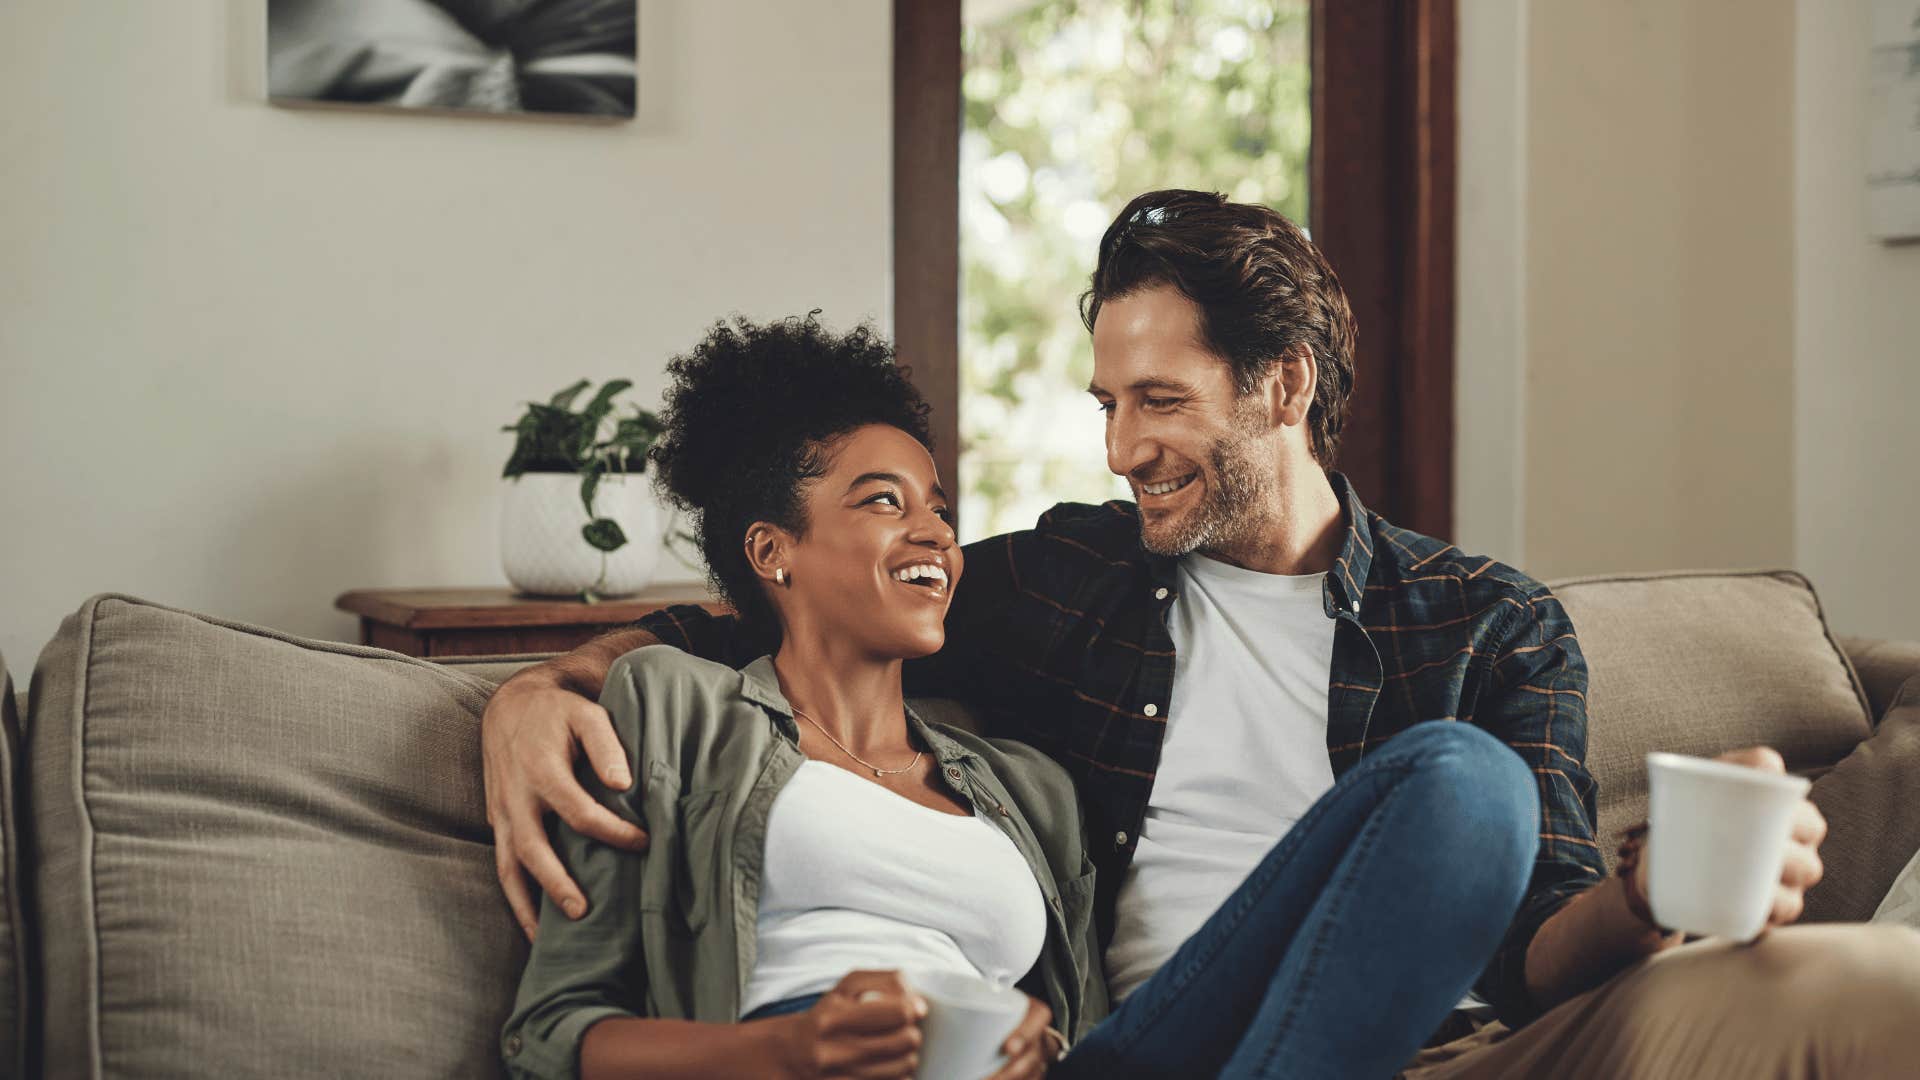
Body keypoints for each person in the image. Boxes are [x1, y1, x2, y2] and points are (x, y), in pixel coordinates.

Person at [487, 192, 1920, 1078]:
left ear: (1280, 385)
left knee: (1460, 784)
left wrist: (1657, 891)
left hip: (1422, 1048)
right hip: (1147, 1052)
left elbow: (1543, 941)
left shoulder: (1486, 624)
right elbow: (779, 606)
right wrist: (543, 689)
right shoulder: (1062, 581)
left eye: (1158, 402)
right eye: (1107, 402)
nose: (1119, 448)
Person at [499, 316, 1102, 1080]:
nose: (936, 535)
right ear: (771, 551)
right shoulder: (672, 708)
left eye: (940, 510)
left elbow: (1094, 1035)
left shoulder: (1031, 789)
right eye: (886, 502)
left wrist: (1042, 1046)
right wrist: (785, 1051)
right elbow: (548, 1037)